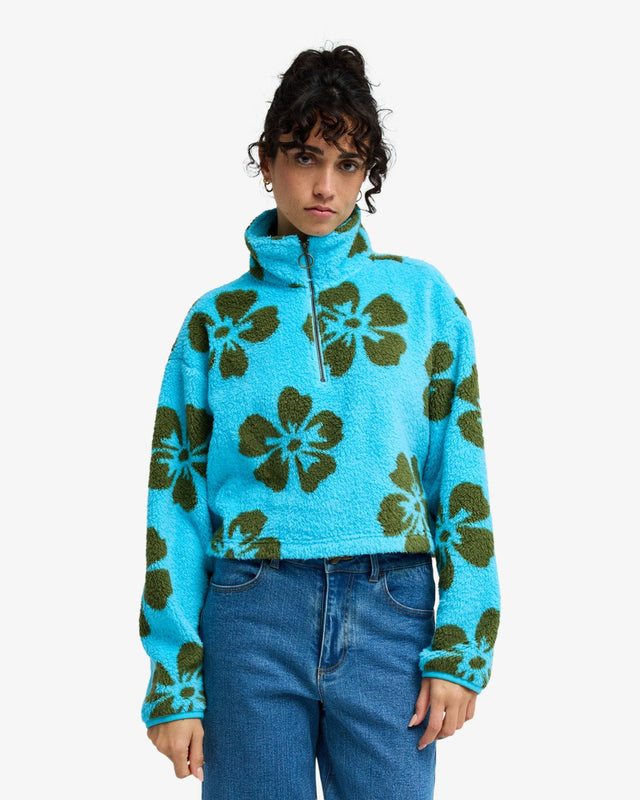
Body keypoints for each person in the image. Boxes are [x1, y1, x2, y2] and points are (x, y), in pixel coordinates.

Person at [139, 44, 500, 800]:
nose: (325, 185)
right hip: (250, 612)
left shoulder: (423, 302)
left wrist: (463, 644)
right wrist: (175, 679)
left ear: (368, 174)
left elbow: (459, 477)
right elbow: (175, 499)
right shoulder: (216, 323)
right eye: (305, 157)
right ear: (268, 161)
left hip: (392, 610)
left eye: (348, 163)